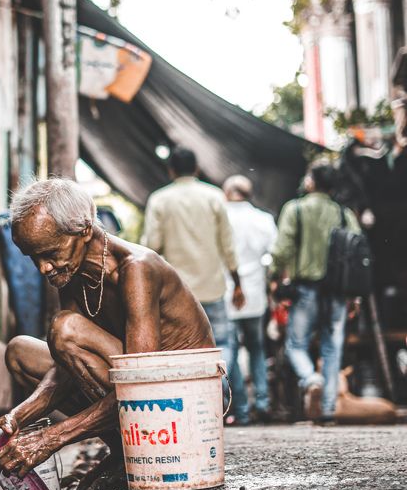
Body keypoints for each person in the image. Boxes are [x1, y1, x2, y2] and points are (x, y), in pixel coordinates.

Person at [0, 177, 214, 479]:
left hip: (184, 400)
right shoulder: (71, 272)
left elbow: (141, 384)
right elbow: (68, 365)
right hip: (138, 386)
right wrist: (14, 419)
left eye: (49, 253)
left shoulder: (137, 269)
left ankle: (138, 453)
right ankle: (123, 454)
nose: (43, 268)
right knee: (21, 352)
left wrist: (49, 439)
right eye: (34, 257)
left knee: (66, 328)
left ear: (85, 230)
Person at [269, 160, 360, 424]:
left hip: (305, 289)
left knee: (296, 344)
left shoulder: (295, 209)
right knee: (333, 348)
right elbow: (356, 256)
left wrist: (274, 277)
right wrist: (355, 296)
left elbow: (282, 249)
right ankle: (329, 409)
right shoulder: (344, 214)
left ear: (311, 181)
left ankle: (311, 379)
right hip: (338, 292)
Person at [141, 147, 245, 368]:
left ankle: (193, 397)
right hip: (213, 288)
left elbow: (150, 247)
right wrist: (237, 283)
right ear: (197, 169)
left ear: (171, 171)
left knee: (181, 348)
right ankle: (221, 390)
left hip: (177, 292)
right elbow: (228, 245)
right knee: (222, 343)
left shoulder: (159, 200)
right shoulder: (215, 197)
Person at [222, 175, 277, 425]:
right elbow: (273, 255)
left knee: (229, 347)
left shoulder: (220, 216)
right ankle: (263, 402)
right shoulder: (262, 219)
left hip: (226, 291)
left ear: (227, 192)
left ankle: (240, 408)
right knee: (257, 347)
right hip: (254, 294)